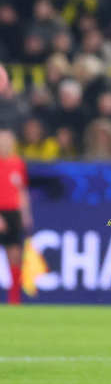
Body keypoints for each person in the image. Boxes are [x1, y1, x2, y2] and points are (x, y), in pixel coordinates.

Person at [0, 129, 32, 305]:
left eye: (8, 141)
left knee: (15, 255)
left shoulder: (18, 163)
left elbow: (22, 190)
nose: (5, 144)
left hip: (13, 213)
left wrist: (26, 214)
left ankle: (14, 299)